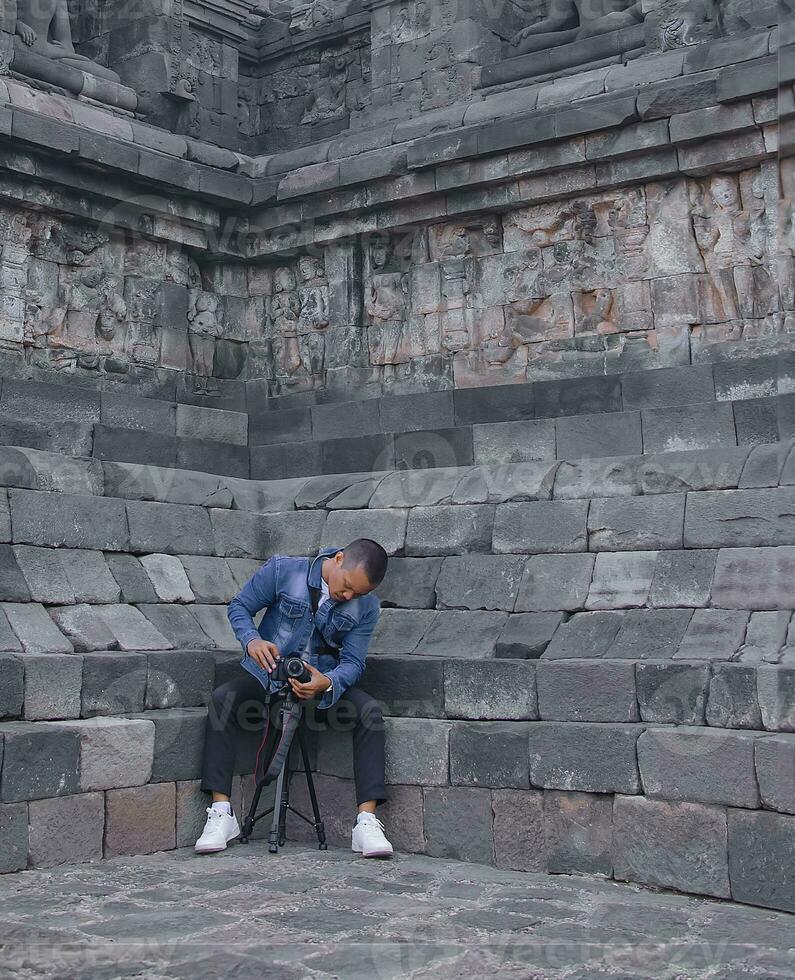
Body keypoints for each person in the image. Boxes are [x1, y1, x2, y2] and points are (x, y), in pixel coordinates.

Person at [195, 539, 394, 859]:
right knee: (223, 700)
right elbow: (239, 606)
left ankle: (366, 822)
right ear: (339, 559)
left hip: (318, 688)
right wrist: (252, 641)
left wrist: (326, 682)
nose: (348, 596)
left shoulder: (367, 607)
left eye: (358, 594)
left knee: (369, 712)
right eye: (346, 587)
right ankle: (222, 813)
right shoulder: (283, 570)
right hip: (266, 677)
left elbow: (354, 663)